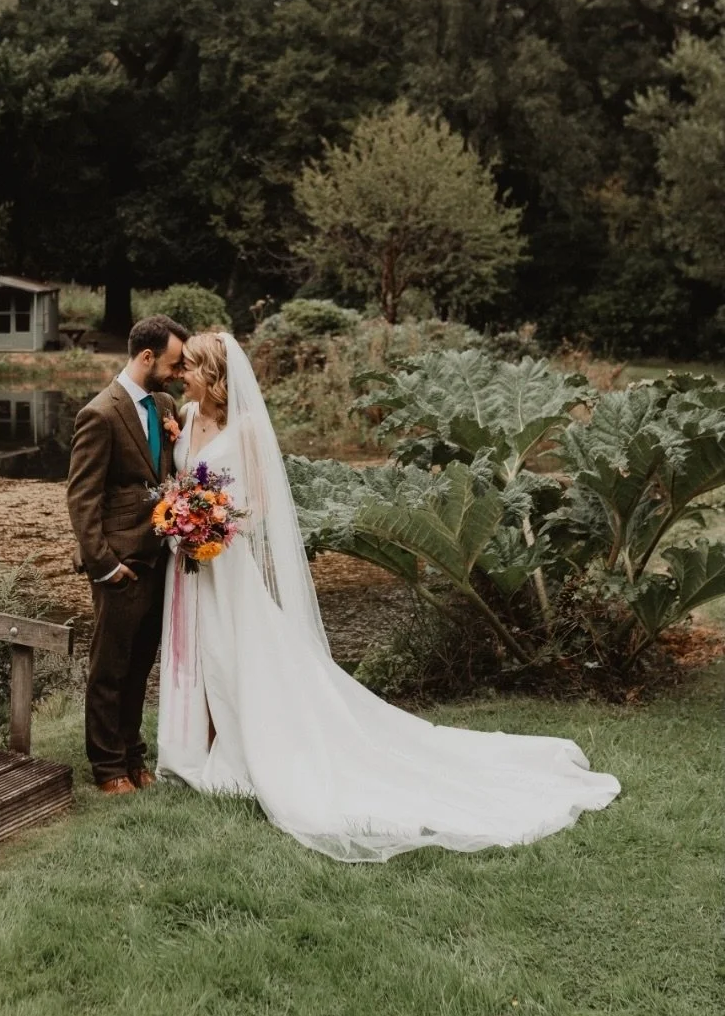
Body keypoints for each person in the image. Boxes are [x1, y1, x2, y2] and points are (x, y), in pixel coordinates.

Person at [156, 331, 621, 861]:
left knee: (239, 655)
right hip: (190, 564)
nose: (181, 375)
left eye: (190, 367)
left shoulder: (244, 428)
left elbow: (259, 502)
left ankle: (247, 755)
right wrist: (181, 516)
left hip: (226, 562)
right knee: (204, 653)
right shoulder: (188, 419)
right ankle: (197, 744)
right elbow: (181, 483)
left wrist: (217, 529)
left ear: (214, 374)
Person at [66, 315, 189, 794]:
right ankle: (107, 767)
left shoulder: (164, 404)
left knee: (140, 666)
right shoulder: (99, 413)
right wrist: (103, 565)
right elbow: (82, 497)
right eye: (174, 363)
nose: (179, 373)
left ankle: (134, 755)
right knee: (109, 668)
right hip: (120, 562)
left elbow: (163, 472)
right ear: (146, 357)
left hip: (161, 558)